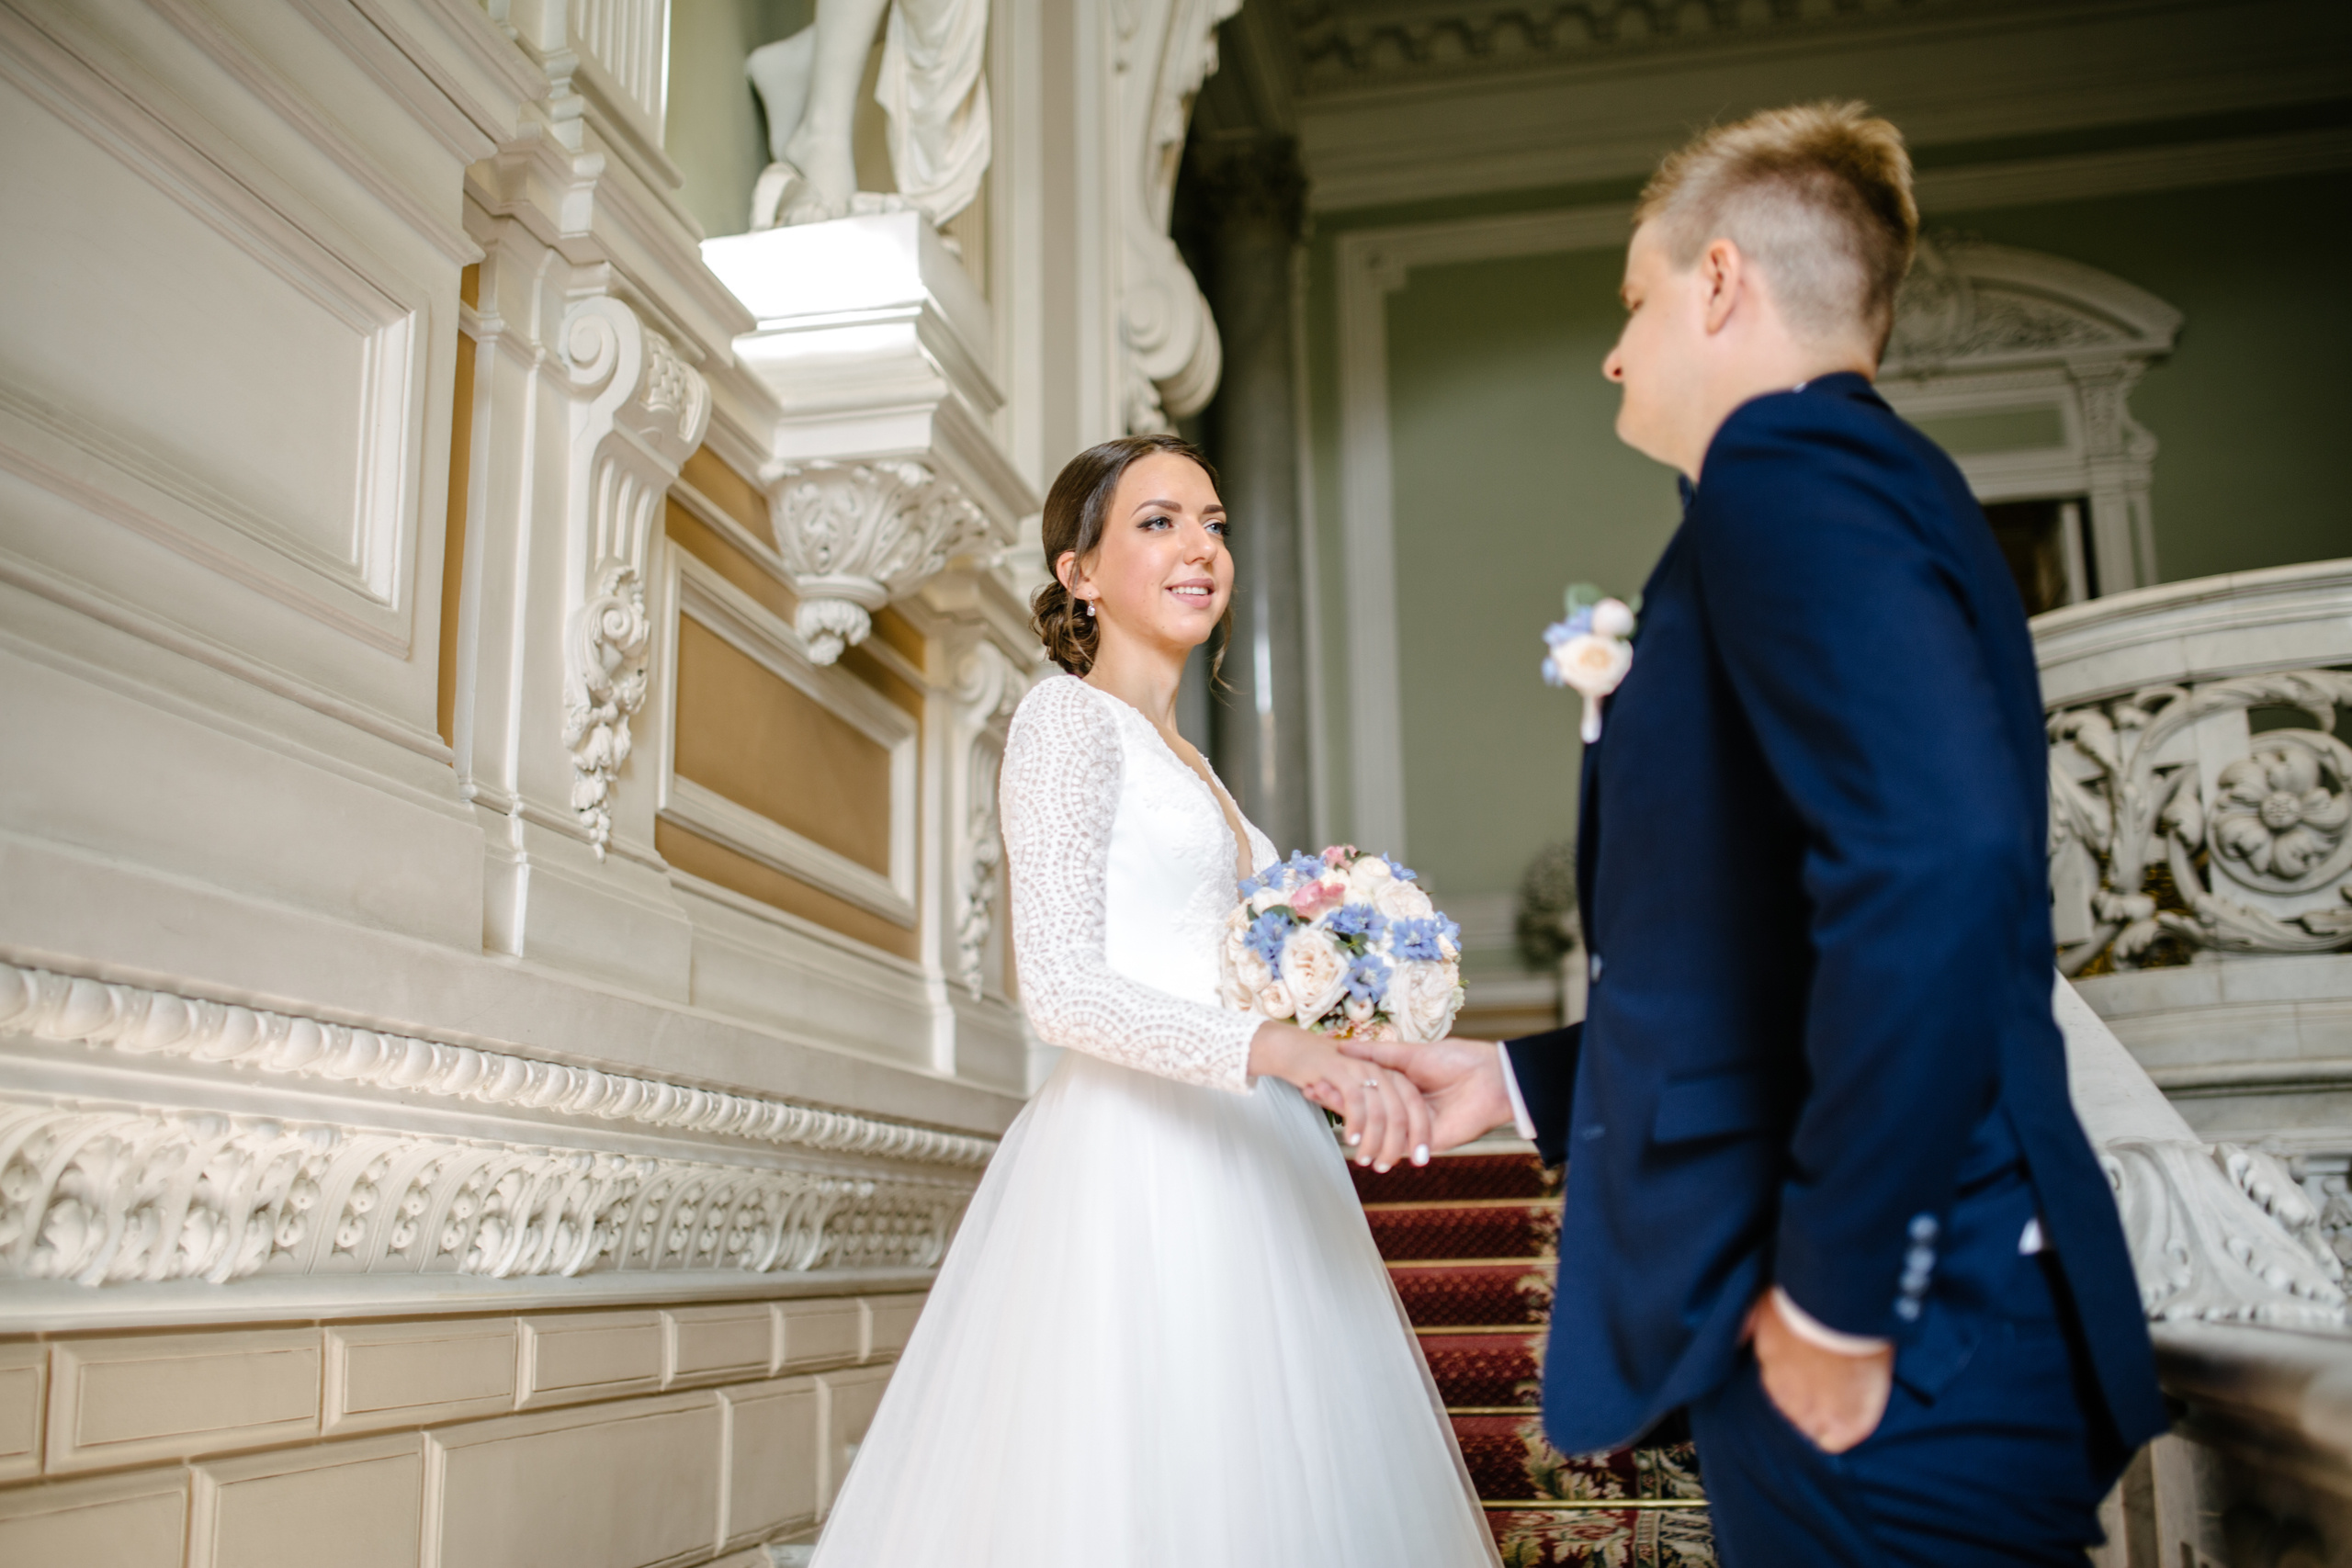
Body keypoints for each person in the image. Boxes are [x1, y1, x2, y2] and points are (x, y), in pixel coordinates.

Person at [1344, 103, 2166, 1564]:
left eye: (1634, 300)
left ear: (1720, 282)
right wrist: (1511, 1080)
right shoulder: (1860, 479)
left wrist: (1847, 1288)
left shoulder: (1788, 470)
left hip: (1897, 1339)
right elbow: (1782, 952)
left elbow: (1938, 869)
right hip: (1898, 1332)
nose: (1614, 349)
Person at [808, 434, 1498, 1567]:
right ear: (1079, 572)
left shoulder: (1193, 763)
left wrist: (1353, 1033)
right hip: (1134, 1161)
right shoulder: (1065, 723)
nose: (1200, 549)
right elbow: (1065, 993)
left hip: (1254, 1149)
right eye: (1159, 522)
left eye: (1214, 524)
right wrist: (1277, 1048)